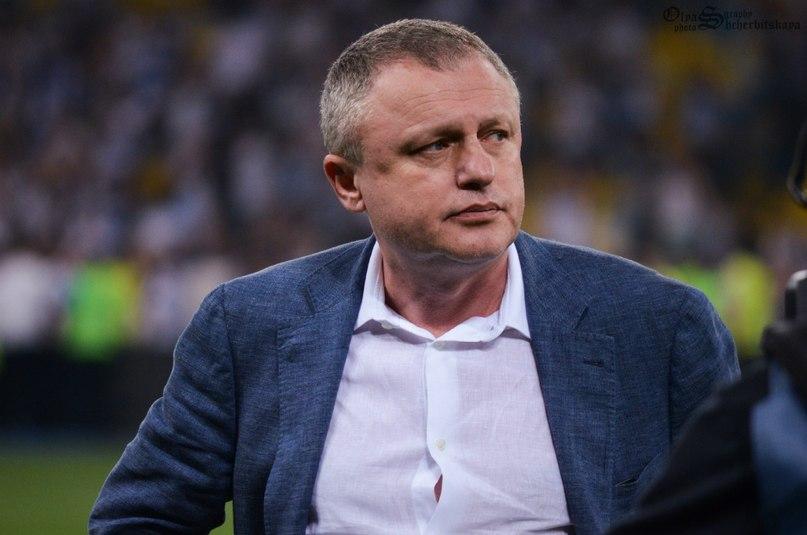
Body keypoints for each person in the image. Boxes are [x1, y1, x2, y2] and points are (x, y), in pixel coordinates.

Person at [90, 19, 739, 534]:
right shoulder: (247, 326)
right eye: (436, 145)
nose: (479, 169)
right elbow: (139, 518)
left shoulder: (659, 328)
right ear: (348, 182)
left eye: (497, 135)